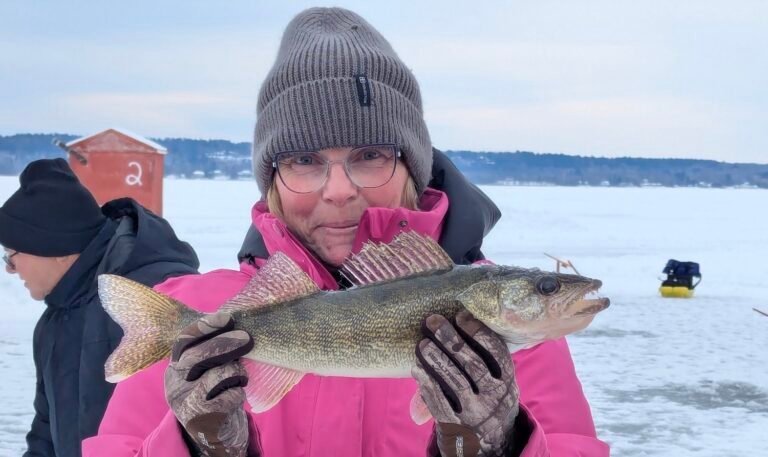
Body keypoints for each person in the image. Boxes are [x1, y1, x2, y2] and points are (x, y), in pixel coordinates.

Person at [84, 7, 609, 457]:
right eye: (305, 160)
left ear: (414, 168)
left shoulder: (523, 342)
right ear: (272, 179)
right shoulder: (194, 318)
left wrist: (501, 444)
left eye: (370, 155)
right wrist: (200, 445)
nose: (338, 190)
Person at [0, 158, 200, 457]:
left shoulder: (151, 298)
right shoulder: (53, 322)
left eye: (11, 254)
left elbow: (201, 419)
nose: (9, 268)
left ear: (55, 249)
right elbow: (46, 432)